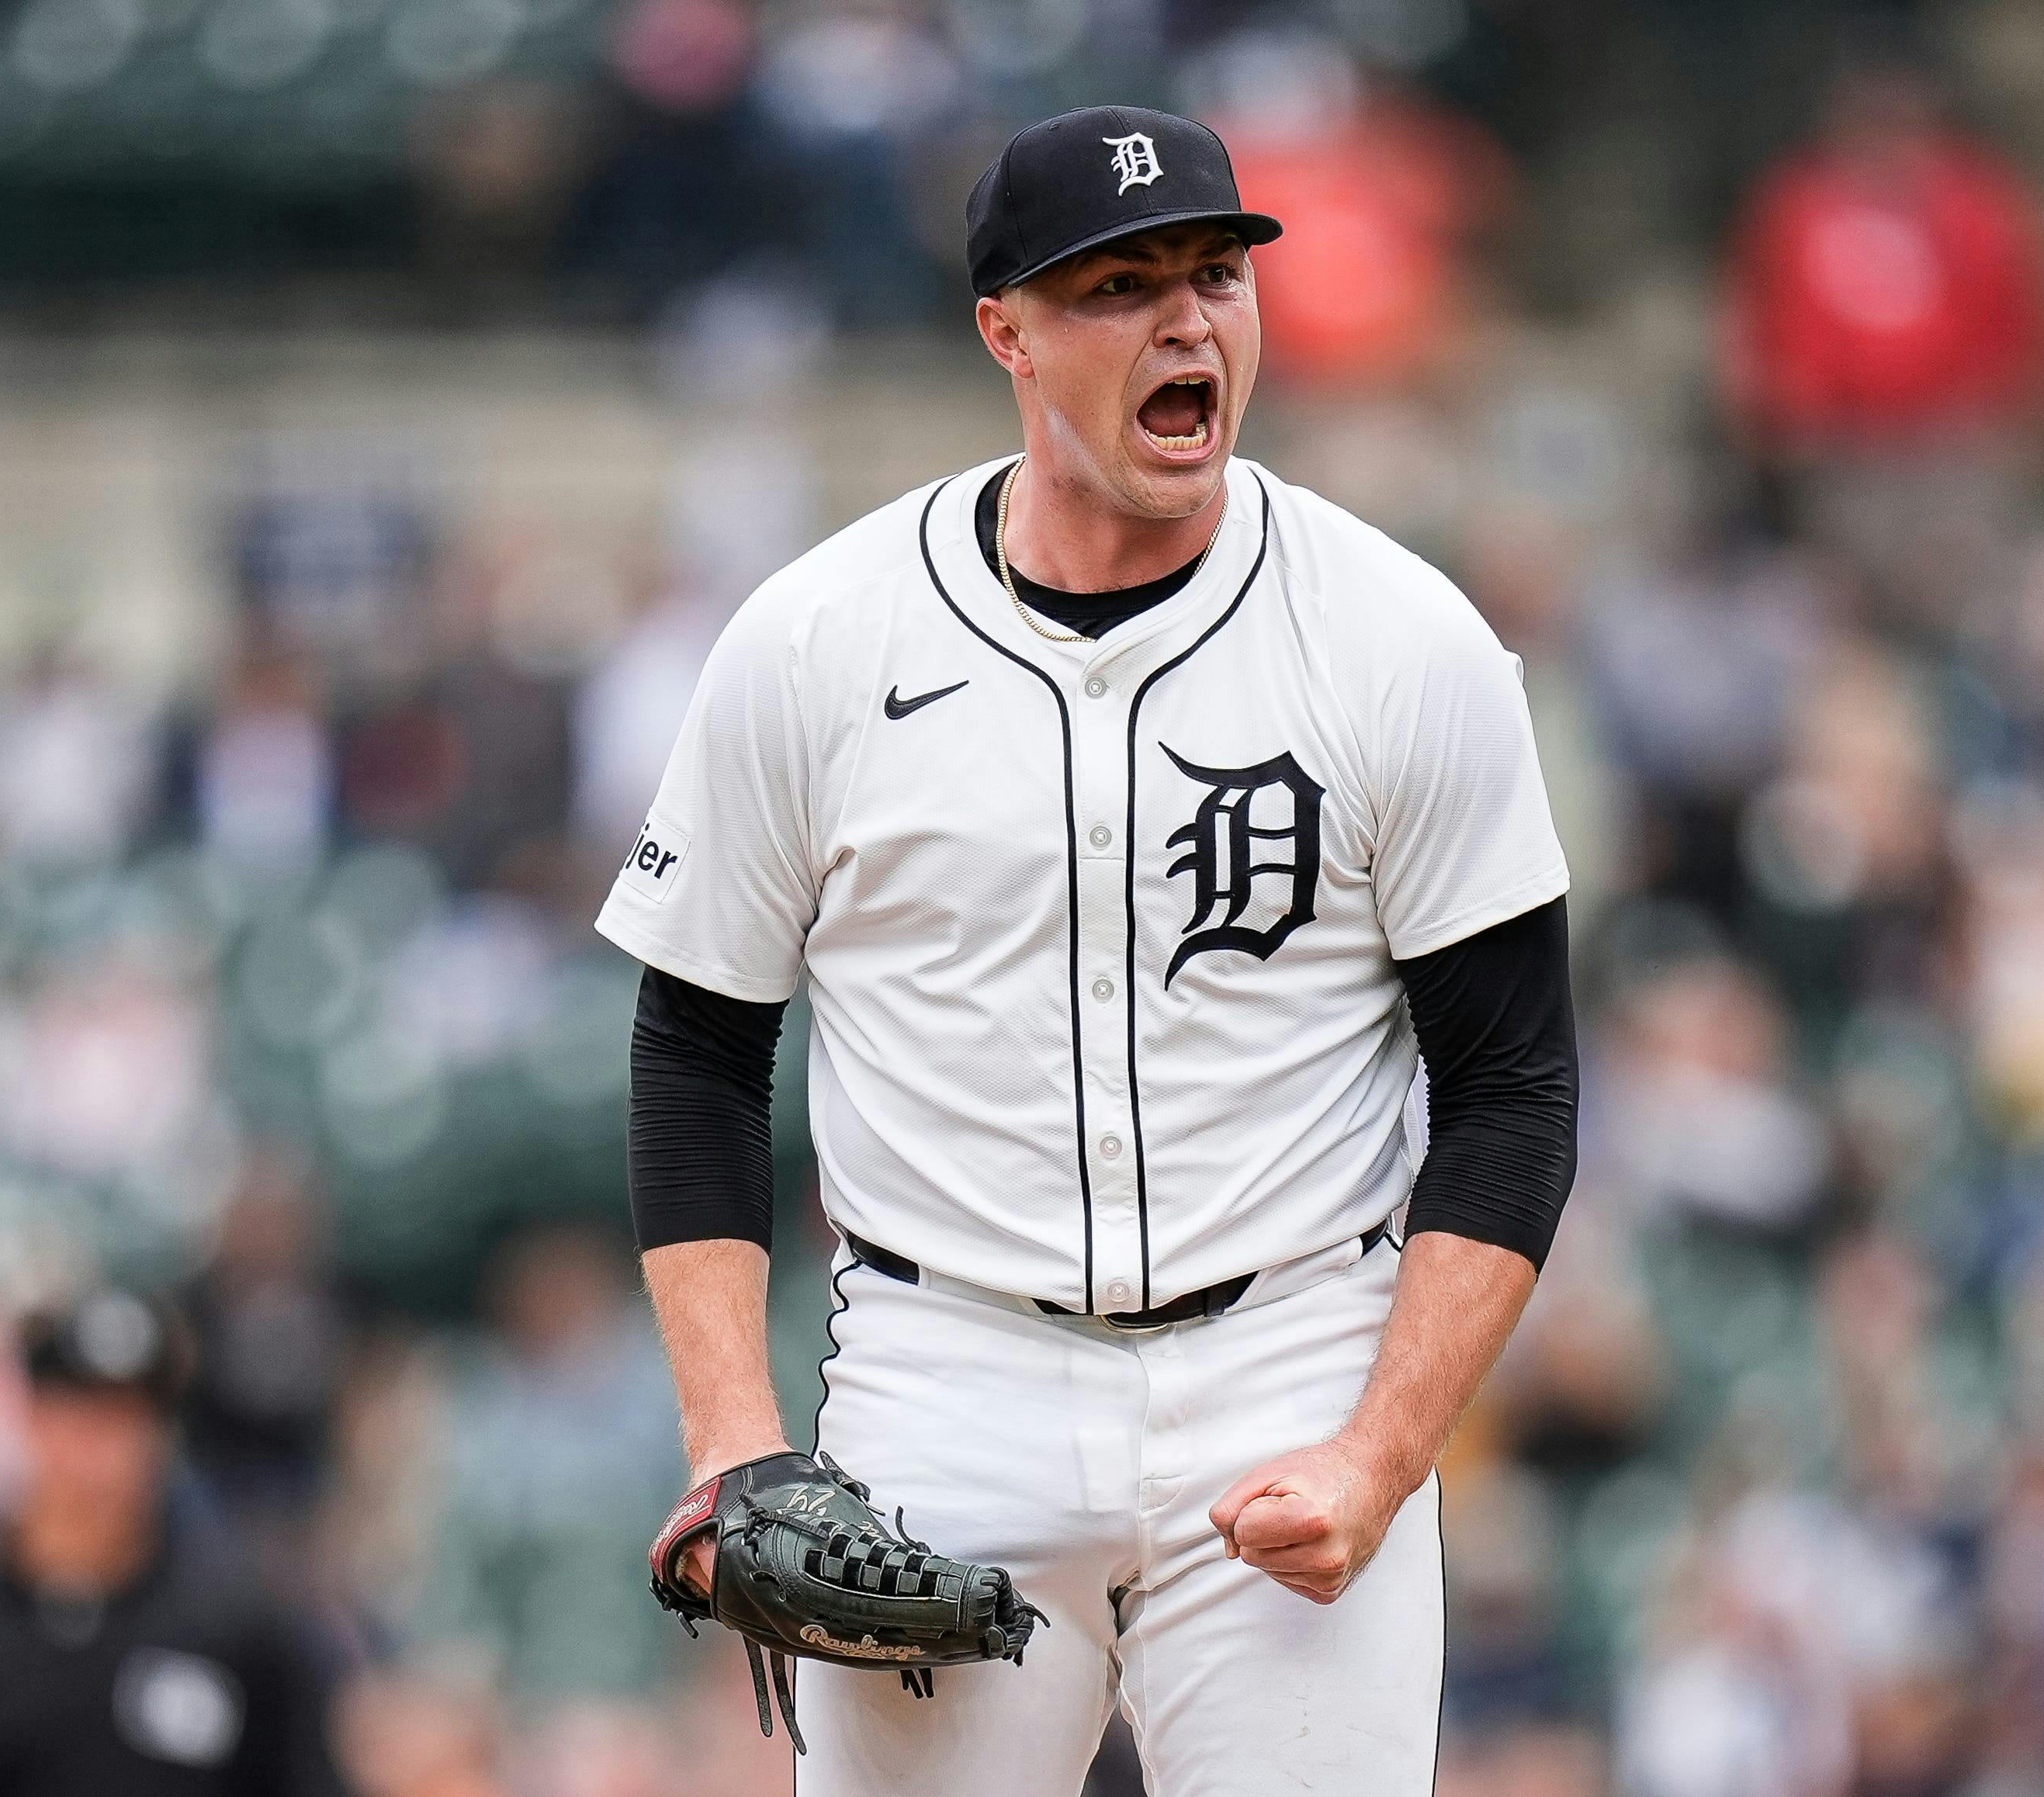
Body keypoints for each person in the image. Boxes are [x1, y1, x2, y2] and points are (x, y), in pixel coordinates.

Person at [599, 104, 1578, 1795]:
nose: (1188, 320)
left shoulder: (1400, 640)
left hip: (1292, 1360)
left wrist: (1383, 1452)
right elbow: (694, 1045)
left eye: (1215, 273)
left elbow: (1515, 1083)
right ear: (1009, 334)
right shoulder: (820, 643)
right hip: (943, 1380)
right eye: (1119, 286)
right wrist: (732, 1441)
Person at [0, 1290, 348, 1796]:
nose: (109, 1457)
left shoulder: (244, 1630)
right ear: (34, 1421)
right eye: (85, 1420)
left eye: (134, 1423)